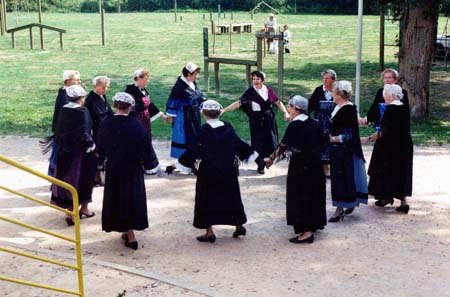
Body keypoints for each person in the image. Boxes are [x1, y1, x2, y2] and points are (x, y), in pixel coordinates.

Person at [177, 100, 261, 243]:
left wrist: (181, 162)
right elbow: (239, 144)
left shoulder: (204, 130)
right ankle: (238, 225)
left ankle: (209, 232)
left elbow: (194, 150)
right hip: (229, 170)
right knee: (232, 197)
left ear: (203, 113)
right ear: (219, 113)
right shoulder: (228, 128)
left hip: (208, 172)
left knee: (206, 200)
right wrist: (256, 158)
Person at [96, 92, 156, 250]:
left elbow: (100, 146)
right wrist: (150, 164)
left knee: (117, 198)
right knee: (131, 199)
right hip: (133, 168)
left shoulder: (107, 123)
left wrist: (98, 163)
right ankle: (130, 233)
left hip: (114, 168)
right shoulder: (136, 125)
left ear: (115, 105)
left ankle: (126, 231)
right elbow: (146, 146)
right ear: (130, 107)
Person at [266, 95, 326, 244]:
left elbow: (283, 145)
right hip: (316, 163)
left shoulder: (295, 125)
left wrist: (270, 159)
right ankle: (314, 224)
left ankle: (306, 232)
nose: (288, 109)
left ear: (295, 108)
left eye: (289, 106)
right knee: (314, 194)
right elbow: (323, 140)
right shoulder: (314, 122)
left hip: (301, 165)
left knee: (300, 195)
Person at [221, 70, 289, 174]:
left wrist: (285, 112)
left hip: (269, 119)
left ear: (262, 80)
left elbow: (278, 102)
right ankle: (260, 164)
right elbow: (238, 103)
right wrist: (224, 110)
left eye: (257, 79)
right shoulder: (250, 92)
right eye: (253, 79)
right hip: (256, 120)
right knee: (258, 142)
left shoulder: (268, 90)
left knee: (271, 141)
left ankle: (269, 160)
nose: (255, 81)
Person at [361, 84, 413, 214]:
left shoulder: (390, 109)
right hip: (405, 144)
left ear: (393, 95)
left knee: (386, 170)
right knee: (402, 171)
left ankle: (386, 196)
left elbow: (384, 131)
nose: (384, 96)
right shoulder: (404, 107)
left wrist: (367, 139)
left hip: (390, 146)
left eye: (386, 94)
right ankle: (403, 201)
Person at [50, 85, 96, 226]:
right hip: (80, 155)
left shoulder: (64, 110)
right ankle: (84, 208)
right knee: (84, 179)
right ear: (81, 98)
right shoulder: (82, 111)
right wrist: (92, 146)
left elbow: (59, 130)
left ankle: (69, 211)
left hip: (64, 153)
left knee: (68, 180)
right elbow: (85, 133)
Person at [328, 81, 368, 222]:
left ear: (339, 94)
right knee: (343, 177)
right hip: (338, 150)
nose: (331, 94)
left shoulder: (348, 109)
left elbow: (349, 134)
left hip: (344, 150)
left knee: (342, 177)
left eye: (333, 91)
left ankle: (340, 208)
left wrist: (331, 139)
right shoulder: (338, 107)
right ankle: (348, 203)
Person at [125, 69, 164, 174]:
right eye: (146, 79)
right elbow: (130, 107)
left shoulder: (143, 90)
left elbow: (149, 104)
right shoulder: (130, 91)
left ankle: (148, 165)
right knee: (138, 141)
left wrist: (161, 114)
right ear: (138, 79)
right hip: (136, 120)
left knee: (146, 140)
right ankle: (138, 166)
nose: (148, 81)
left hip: (145, 120)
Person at [165, 62, 205, 162]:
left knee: (195, 134)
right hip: (183, 117)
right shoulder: (179, 86)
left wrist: (206, 103)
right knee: (184, 136)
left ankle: (193, 157)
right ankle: (184, 160)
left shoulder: (192, 83)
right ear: (188, 74)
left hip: (194, 115)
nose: (196, 76)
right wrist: (170, 116)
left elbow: (198, 96)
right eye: (195, 74)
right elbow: (172, 101)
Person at [45, 70, 81, 177]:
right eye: (76, 80)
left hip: (64, 131)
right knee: (57, 154)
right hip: (62, 132)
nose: (79, 82)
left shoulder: (67, 93)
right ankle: (53, 175)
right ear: (68, 81)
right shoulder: (64, 96)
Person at [308, 69, 337, 178]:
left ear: (334, 80)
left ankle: (333, 167)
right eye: (323, 78)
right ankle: (323, 168)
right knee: (320, 143)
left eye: (327, 78)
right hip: (320, 122)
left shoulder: (338, 90)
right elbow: (311, 105)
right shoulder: (318, 90)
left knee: (333, 144)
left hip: (334, 122)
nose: (324, 81)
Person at [85, 76, 113, 186]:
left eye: (107, 87)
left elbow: (108, 111)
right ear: (96, 86)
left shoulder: (102, 96)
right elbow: (98, 116)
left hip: (105, 130)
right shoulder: (91, 100)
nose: (105, 89)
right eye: (103, 87)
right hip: (97, 131)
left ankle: (101, 176)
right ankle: (95, 178)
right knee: (97, 154)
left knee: (104, 154)